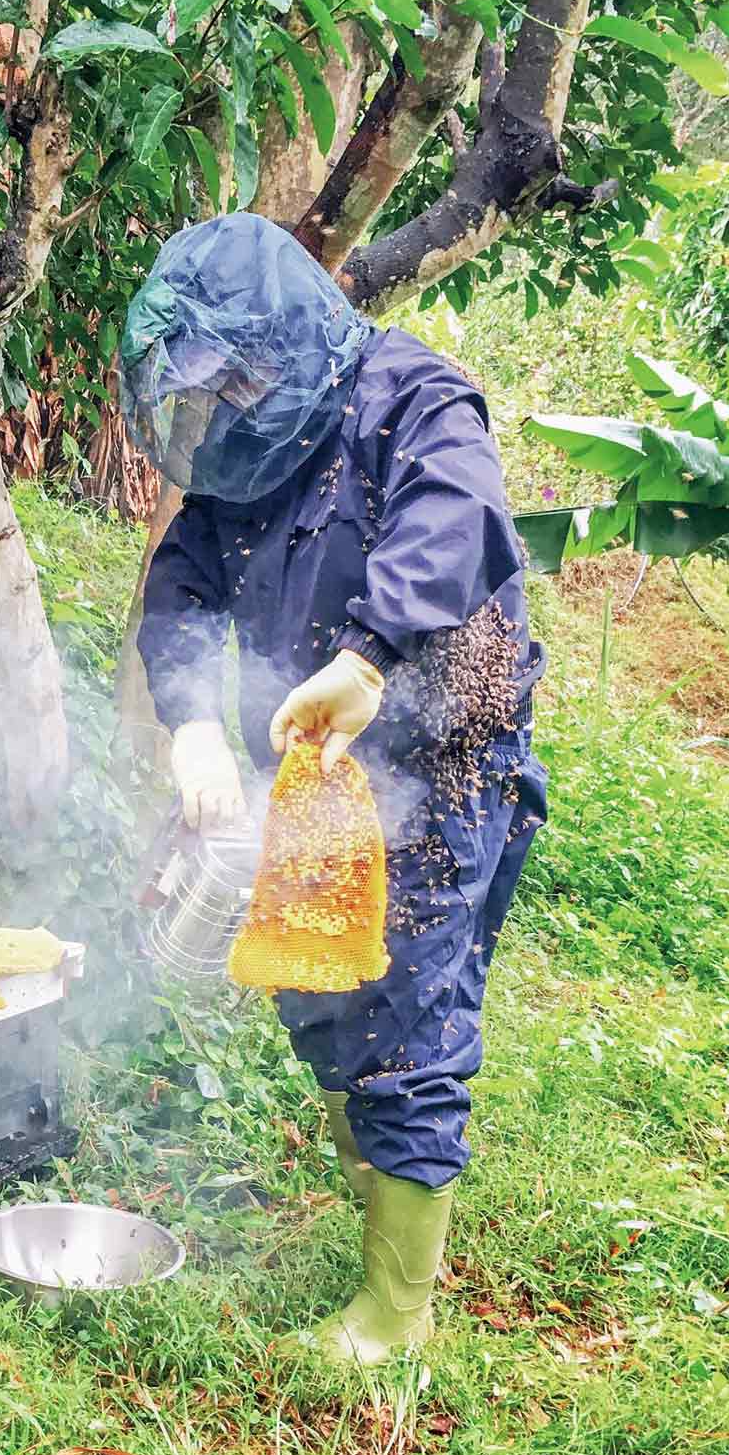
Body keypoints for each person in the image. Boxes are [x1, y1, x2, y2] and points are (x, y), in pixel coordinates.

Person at [122, 212, 548, 1365]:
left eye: (247, 375)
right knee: (316, 995)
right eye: (216, 386)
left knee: (405, 1012)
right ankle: (382, 1203)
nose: (234, 401)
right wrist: (198, 727)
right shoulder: (234, 456)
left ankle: (395, 1317)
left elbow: (456, 524)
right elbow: (180, 595)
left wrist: (368, 656)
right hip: (309, 773)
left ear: (292, 334)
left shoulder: (416, 400)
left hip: (439, 764)